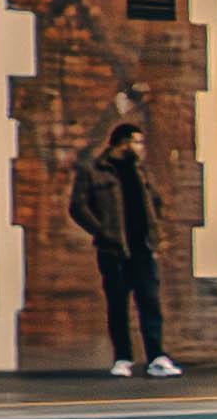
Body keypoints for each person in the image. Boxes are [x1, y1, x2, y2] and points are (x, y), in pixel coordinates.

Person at [69, 109, 177, 378]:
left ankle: (156, 357)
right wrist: (102, 230)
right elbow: (78, 206)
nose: (140, 149)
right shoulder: (95, 171)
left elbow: (157, 202)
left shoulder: (141, 172)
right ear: (123, 143)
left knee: (149, 302)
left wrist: (155, 231)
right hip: (113, 249)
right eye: (137, 143)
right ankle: (123, 358)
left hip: (143, 247)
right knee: (118, 305)